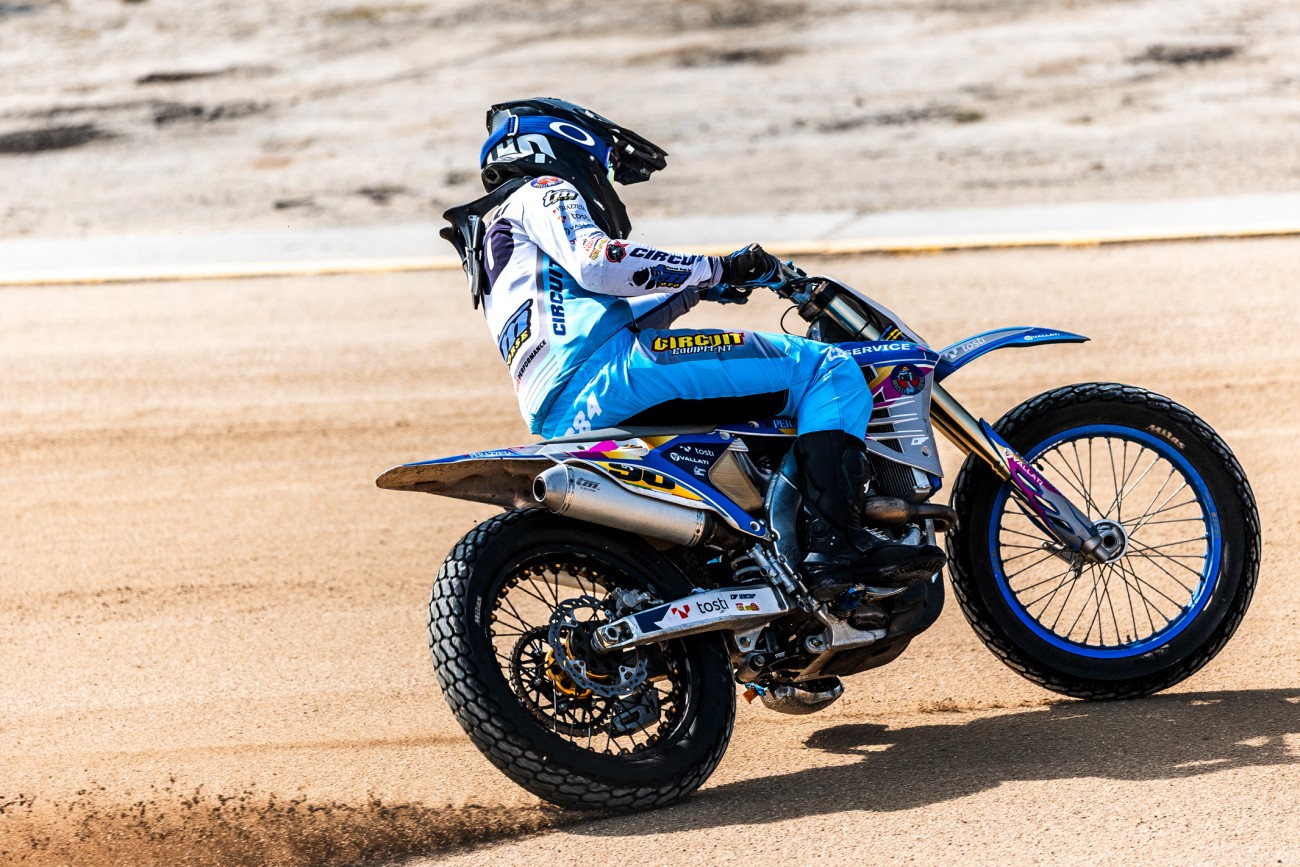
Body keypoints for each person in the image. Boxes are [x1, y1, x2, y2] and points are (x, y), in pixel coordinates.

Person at [441, 98, 944, 597]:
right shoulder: (543, 190)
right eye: (605, 165)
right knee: (828, 371)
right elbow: (601, 262)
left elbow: (601, 316)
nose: (606, 178)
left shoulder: (494, 239)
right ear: (563, 144)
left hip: (562, 412)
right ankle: (837, 544)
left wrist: (702, 285)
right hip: (614, 372)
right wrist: (717, 267)